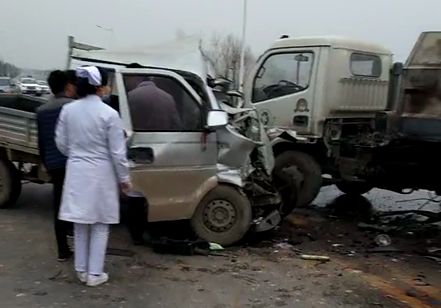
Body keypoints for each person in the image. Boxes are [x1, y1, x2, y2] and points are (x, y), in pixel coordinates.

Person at [55, 66, 131, 287]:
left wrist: (78, 155)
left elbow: (61, 143)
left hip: (77, 170)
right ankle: (94, 274)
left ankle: (81, 270)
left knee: (80, 222)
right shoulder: (109, 114)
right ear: (101, 87)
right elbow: (118, 153)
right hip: (101, 173)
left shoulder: (68, 110)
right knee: (100, 223)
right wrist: (124, 178)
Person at [36, 70, 76, 262]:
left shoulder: (42, 110)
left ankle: (62, 250)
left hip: (53, 163)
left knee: (59, 205)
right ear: (68, 85)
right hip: (71, 162)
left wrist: (45, 163)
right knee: (76, 204)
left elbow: (41, 141)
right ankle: (80, 243)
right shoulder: (73, 107)